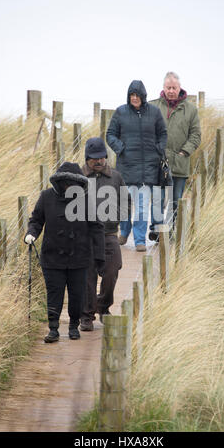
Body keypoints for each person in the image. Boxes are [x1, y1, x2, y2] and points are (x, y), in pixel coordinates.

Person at [24, 162, 105, 343]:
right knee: (54, 293)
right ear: (59, 182)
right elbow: (36, 220)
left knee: (77, 294)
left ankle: (73, 326)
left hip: (79, 257)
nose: (68, 186)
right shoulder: (46, 197)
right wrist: (31, 234)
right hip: (52, 257)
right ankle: (53, 329)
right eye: (65, 183)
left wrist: (99, 256)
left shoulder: (85, 199)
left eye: (72, 183)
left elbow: (96, 228)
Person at [106, 80, 168, 251]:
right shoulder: (120, 112)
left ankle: (140, 240)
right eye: (132, 95)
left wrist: (158, 149)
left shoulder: (154, 113)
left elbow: (163, 134)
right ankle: (124, 233)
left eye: (137, 95)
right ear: (128, 96)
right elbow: (110, 135)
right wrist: (120, 148)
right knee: (125, 204)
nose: (134, 98)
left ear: (143, 96)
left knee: (142, 206)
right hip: (126, 167)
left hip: (148, 168)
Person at [80, 137, 130, 331]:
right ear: (87, 158)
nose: (99, 161)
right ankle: (86, 316)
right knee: (87, 277)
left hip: (109, 234)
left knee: (112, 271)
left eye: (102, 157)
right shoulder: (78, 177)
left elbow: (126, 202)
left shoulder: (116, 177)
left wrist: (115, 217)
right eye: (94, 158)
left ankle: (103, 306)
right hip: (85, 236)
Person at [150, 72, 201, 234]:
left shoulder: (191, 110)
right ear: (163, 87)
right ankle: (157, 231)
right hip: (157, 162)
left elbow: (195, 135)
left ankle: (169, 231)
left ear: (179, 88)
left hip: (180, 162)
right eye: (168, 87)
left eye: (174, 88)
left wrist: (184, 152)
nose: (171, 90)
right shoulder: (153, 107)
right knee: (157, 199)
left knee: (175, 200)